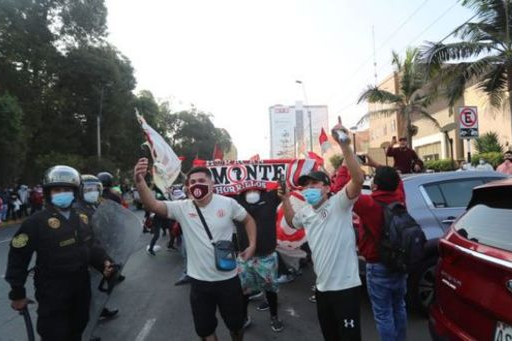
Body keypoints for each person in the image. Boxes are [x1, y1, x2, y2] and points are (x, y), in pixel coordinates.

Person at [134, 160, 257, 341]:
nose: (196, 185)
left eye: (201, 180)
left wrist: (252, 245)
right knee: (205, 331)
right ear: (188, 187)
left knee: (236, 326)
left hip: (228, 280)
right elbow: (153, 205)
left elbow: (248, 220)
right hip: (199, 284)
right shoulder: (182, 208)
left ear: (211, 183)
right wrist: (140, 182)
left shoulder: (228, 203)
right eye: (192, 182)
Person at [5, 165, 115, 341]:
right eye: (57, 190)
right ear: (49, 192)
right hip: (52, 290)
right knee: (54, 333)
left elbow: (92, 245)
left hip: (81, 285)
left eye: (67, 189)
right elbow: (17, 258)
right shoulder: (35, 222)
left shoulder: (82, 218)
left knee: (78, 327)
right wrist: (17, 293)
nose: (62, 193)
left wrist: (104, 262)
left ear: (75, 192)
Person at [280, 123, 364, 341]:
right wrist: (285, 198)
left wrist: (345, 147)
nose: (309, 189)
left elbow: (358, 180)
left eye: (315, 184)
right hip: (322, 289)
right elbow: (292, 221)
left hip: (345, 288)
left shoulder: (339, 203)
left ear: (327, 187)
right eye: (306, 186)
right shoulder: (306, 212)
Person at [353, 166, 408, 341]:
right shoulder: (400, 198)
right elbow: (398, 182)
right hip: (400, 262)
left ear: (375, 185)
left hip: (377, 265)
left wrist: (346, 168)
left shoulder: (368, 204)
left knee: (383, 313)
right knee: (399, 307)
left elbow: (343, 190)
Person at [234, 187, 284, 332]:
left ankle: (274, 316)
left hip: (267, 255)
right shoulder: (235, 200)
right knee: (244, 291)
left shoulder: (270, 197)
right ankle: (244, 317)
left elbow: (285, 185)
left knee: (271, 290)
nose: (251, 190)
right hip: (244, 256)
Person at [74, 175, 120, 321]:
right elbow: (87, 238)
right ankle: (85, 327)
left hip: (96, 251)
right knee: (83, 293)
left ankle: (97, 311)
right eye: (88, 189)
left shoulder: (92, 205)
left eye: (95, 189)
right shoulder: (78, 210)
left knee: (95, 286)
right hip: (82, 257)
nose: (92, 192)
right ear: (80, 191)